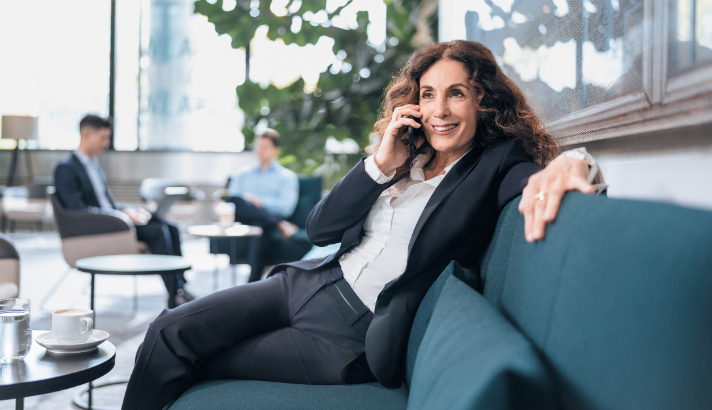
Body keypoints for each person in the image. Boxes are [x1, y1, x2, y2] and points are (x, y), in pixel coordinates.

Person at [121, 41, 605, 410]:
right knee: (167, 333)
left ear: (484, 102)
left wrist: (576, 163)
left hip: (348, 332)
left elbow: (539, 179)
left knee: (195, 361)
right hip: (306, 283)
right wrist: (381, 162)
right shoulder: (404, 158)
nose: (439, 110)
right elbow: (319, 229)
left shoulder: (496, 164)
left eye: (456, 94)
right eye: (428, 95)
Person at [53, 114, 192, 309]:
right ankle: (175, 295)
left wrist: (130, 211)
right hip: (101, 228)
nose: (107, 143)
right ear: (86, 136)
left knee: (171, 226)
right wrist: (119, 216)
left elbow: (109, 203)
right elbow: (78, 210)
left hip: (114, 220)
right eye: (103, 138)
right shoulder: (66, 168)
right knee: (159, 233)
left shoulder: (94, 165)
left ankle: (180, 288)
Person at [226, 129, 299, 282]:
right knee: (236, 200)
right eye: (258, 146)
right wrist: (249, 200)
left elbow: (286, 207)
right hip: (242, 215)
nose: (260, 150)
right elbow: (232, 199)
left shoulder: (287, 177)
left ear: (276, 150)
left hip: (264, 219)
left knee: (262, 224)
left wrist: (260, 201)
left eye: (265, 146)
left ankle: (252, 283)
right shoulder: (242, 174)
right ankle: (279, 224)